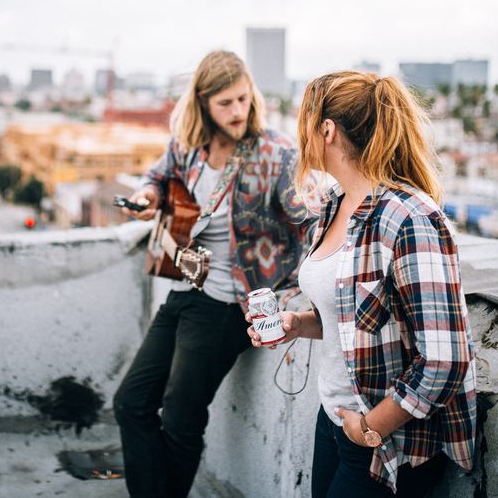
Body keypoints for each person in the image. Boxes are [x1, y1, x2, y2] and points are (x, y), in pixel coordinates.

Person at [248, 71, 476, 498]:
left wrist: (369, 428)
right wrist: (298, 324)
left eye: (304, 122)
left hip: (384, 442)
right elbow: (355, 316)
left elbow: (444, 361)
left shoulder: (410, 219)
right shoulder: (336, 205)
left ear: (327, 130)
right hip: (335, 421)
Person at [113, 49, 315, 498]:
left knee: (181, 418)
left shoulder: (275, 154)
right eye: (225, 103)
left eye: (243, 99)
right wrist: (149, 194)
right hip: (185, 290)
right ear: (203, 103)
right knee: (130, 403)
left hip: (229, 306)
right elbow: (159, 176)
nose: (238, 111)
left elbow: (312, 219)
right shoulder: (188, 145)